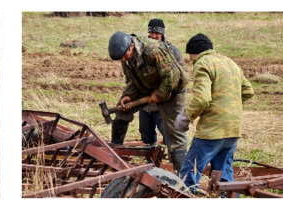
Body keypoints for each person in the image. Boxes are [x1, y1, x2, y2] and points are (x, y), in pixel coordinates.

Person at [175, 34, 254, 193]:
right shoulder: (229, 62)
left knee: (189, 174)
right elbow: (248, 91)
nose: (190, 59)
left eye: (190, 54)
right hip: (232, 128)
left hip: (212, 129)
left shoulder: (203, 63)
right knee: (224, 176)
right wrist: (229, 106)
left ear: (194, 52)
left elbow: (202, 99)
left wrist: (186, 117)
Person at [108, 30, 190, 173]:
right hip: (148, 84)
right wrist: (129, 95)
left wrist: (159, 94)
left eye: (123, 56)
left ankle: (183, 174)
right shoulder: (125, 58)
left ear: (131, 47)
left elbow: (172, 76)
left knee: (174, 129)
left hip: (173, 87)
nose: (122, 60)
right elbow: (132, 80)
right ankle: (114, 156)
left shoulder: (153, 50)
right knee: (121, 111)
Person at [139, 19, 186, 149]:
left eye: (157, 33)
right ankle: (151, 156)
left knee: (168, 132)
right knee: (145, 131)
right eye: (151, 32)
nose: (154, 36)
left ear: (162, 34)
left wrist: (163, 92)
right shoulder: (143, 50)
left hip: (165, 101)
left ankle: (173, 158)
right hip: (146, 102)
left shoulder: (172, 51)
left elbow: (181, 75)